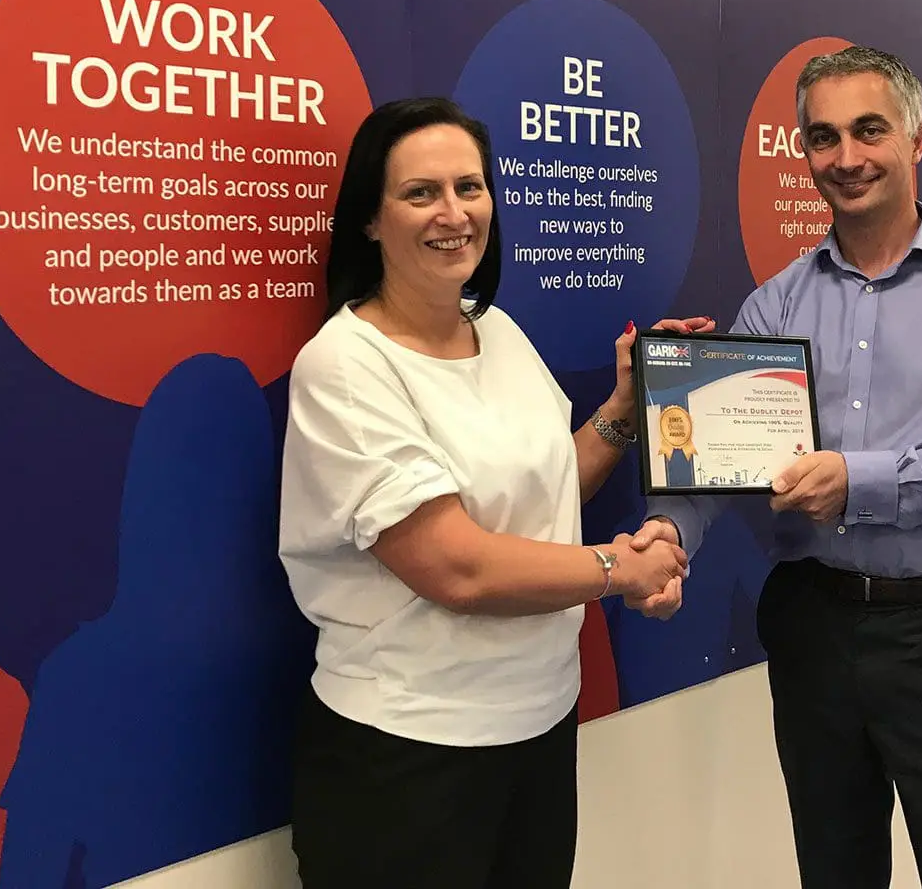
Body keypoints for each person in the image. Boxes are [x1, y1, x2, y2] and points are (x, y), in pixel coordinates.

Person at [629, 45, 922, 889]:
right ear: (804, 152)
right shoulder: (779, 300)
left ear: (917, 138)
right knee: (833, 870)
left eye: (870, 130)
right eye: (823, 137)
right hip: (813, 627)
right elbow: (718, 456)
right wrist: (666, 530)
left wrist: (861, 480)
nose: (847, 157)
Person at [278, 96, 694, 889]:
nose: (453, 213)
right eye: (420, 192)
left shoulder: (495, 329)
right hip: (406, 757)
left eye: (469, 187)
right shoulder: (345, 365)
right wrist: (620, 567)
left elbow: (541, 499)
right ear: (370, 219)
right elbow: (457, 567)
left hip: (537, 726)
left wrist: (621, 412)